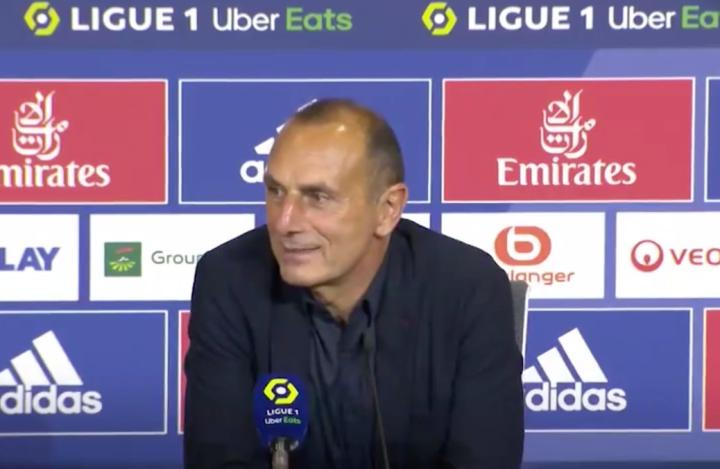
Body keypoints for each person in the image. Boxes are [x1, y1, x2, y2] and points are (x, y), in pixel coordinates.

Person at [184, 99, 524, 469]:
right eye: (276, 191)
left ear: (387, 209)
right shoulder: (229, 280)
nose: (285, 222)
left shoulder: (466, 288)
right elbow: (219, 458)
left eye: (318, 197)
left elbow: (483, 459)